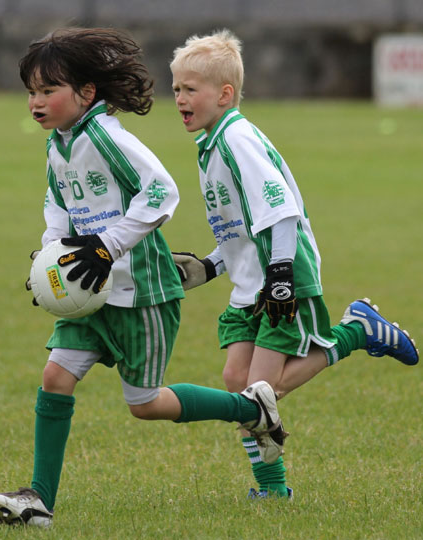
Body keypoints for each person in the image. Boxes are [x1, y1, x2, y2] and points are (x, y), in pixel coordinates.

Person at [0, 27, 288, 528]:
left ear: (86, 94)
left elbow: (162, 191)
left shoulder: (106, 137)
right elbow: (57, 203)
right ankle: (39, 499)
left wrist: (108, 246)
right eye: (31, 92)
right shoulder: (58, 145)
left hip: (142, 292)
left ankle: (251, 411)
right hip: (90, 291)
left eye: (48, 90)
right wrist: (51, 259)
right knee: (55, 377)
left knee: (144, 404)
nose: (36, 102)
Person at [169, 29, 419, 500]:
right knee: (236, 383)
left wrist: (282, 275)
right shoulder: (212, 144)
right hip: (252, 281)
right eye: (177, 88)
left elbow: (280, 210)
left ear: (224, 94)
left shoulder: (236, 139)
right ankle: (271, 489)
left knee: (261, 391)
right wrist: (210, 265)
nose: (179, 98)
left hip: (282, 275)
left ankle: (357, 333)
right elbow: (243, 229)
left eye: (190, 89)